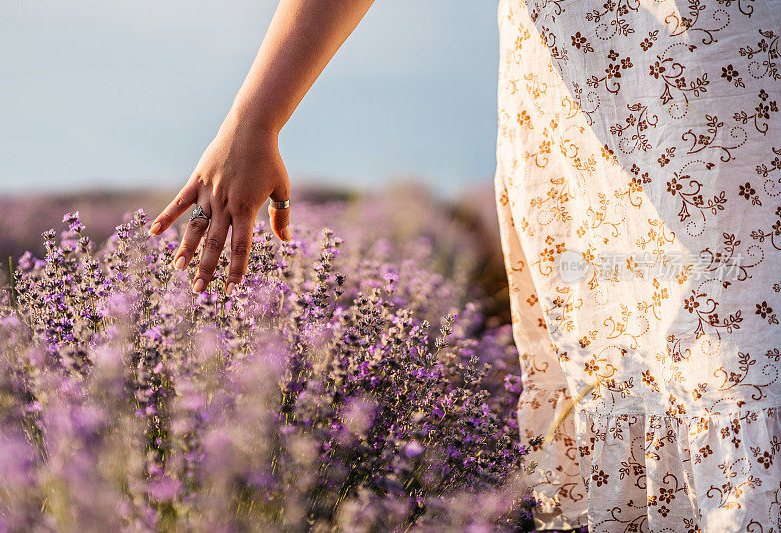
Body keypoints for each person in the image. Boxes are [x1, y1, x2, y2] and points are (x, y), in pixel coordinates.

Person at [150, 0, 781, 530]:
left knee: (732, 383)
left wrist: (255, 117)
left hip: (710, 97)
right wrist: (252, 120)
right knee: (637, 398)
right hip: (582, 116)